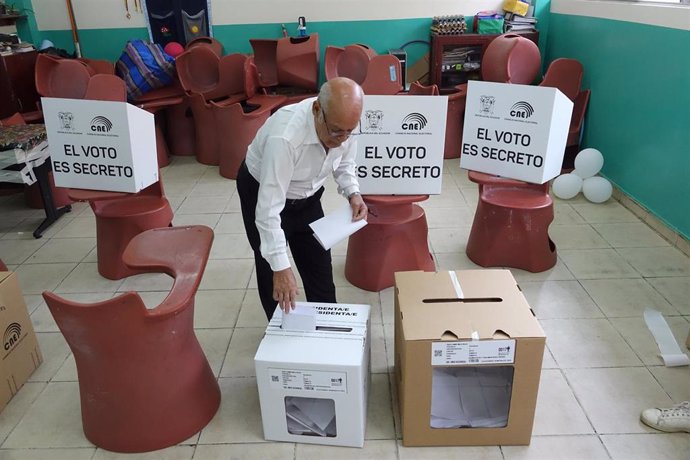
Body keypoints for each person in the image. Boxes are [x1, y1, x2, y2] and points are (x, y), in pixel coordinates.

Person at [237, 77, 368, 320]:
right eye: (337, 131)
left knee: (319, 267)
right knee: (272, 269)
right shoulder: (286, 138)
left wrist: (353, 192)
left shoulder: (345, 125)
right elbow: (267, 211)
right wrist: (281, 266)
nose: (343, 138)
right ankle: (280, 330)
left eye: (350, 131)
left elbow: (345, 162)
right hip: (262, 190)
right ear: (317, 110)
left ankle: (328, 330)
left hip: (307, 196)